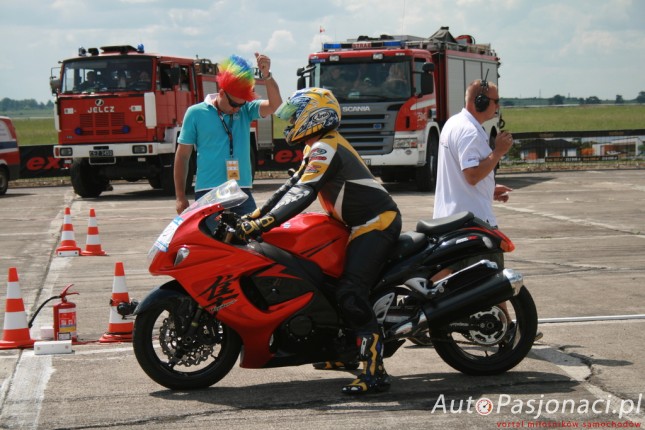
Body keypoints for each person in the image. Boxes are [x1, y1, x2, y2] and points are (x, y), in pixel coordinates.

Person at [234, 87, 402, 395]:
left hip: (375, 223)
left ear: (315, 116)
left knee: (351, 291)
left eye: (296, 116)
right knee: (327, 284)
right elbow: (289, 187)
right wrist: (252, 216)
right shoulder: (318, 146)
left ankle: (375, 371)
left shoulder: (326, 146)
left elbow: (303, 194)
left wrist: (263, 223)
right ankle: (344, 350)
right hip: (353, 225)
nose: (291, 122)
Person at [432, 79, 542, 340]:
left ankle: (421, 313)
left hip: (453, 214)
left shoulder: (454, 123)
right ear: (480, 102)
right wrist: (498, 152)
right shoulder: (470, 131)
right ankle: (506, 329)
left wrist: (489, 188)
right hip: (473, 219)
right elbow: (470, 175)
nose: (498, 106)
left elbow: (462, 176)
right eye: (495, 101)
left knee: (447, 271)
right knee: (492, 276)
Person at [173, 53, 281, 215]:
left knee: (251, 237)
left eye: (241, 104)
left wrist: (267, 76)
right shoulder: (195, 113)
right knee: (211, 239)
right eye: (233, 104)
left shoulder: (246, 110)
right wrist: (180, 196)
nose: (237, 109)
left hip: (240, 189)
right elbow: (182, 156)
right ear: (222, 93)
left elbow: (275, 104)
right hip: (208, 192)